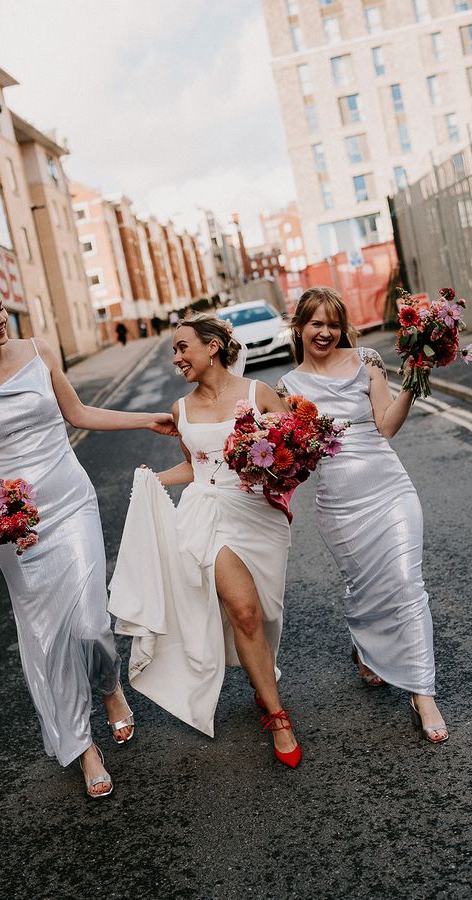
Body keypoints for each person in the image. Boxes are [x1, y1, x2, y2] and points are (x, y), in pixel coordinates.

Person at [0, 278, 177, 798]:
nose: (1, 319)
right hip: (20, 527)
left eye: (2, 308)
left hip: (71, 502)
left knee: (89, 622)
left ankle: (108, 687)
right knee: (47, 637)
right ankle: (83, 749)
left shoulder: (39, 352)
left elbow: (78, 415)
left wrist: (148, 419)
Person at [112, 314, 302, 767]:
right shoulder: (181, 409)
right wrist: (153, 481)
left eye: (182, 348)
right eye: (174, 352)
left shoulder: (259, 395)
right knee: (244, 610)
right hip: (207, 515)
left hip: (258, 515)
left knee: (265, 613)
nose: (177, 359)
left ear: (212, 347)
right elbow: (196, 468)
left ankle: (262, 682)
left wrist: (284, 466)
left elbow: (295, 451)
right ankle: (277, 716)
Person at [277, 287, 448, 744]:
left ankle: (421, 691)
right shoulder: (287, 388)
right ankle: (367, 645)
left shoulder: (367, 360)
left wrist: (413, 382)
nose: (326, 332)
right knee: (366, 586)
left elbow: (386, 425)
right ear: (300, 326)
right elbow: (296, 461)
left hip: (390, 488)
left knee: (409, 583)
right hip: (338, 503)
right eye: (317, 323)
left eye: (334, 324)